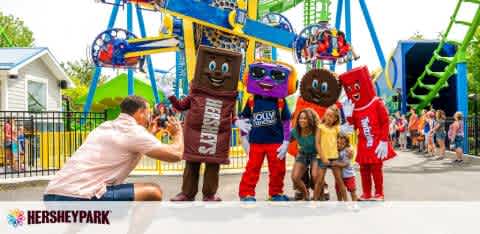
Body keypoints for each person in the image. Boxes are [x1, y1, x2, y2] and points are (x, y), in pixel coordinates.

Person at [43, 96, 184, 201]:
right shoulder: (134, 132)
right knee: (153, 192)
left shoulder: (105, 126)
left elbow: (133, 145)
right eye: (148, 113)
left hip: (52, 195)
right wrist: (178, 133)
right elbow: (176, 154)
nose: (150, 118)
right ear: (140, 112)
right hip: (78, 198)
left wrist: (150, 134)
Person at [313, 105, 347, 201]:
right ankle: (315, 201)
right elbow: (317, 144)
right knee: (319, 181)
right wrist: (323, 157)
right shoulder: (320, 127)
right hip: (322, 158)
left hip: (335, 158)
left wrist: (348, 149)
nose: (328, 118)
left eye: (331, 116)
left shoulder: (336, 128)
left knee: (339, 180)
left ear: (335, 118)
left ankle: (346, 201)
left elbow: (343, 141)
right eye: (327, 115)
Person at [290, 109, 319, 201]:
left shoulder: (317, 130)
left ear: (310, 120)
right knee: (295, 177)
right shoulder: (296, 131)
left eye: (305, 118)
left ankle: (318, 195)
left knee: (315, 176)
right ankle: (306, 194)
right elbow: (285, 140)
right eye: (300, 118)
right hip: (303, 154)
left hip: (316, 154)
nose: (302, 120)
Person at [332, 133, 357, 201]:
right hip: (340, 176)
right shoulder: (336, 150)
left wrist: (336, 163)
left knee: (352, 191)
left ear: (346, 145)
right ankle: (340, 203)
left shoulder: (346, 151)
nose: (339, 145)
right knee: (338, 190)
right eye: (338, 143)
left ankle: (354, 203)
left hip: (349, 175)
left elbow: (346, 164)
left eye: (342, 144)